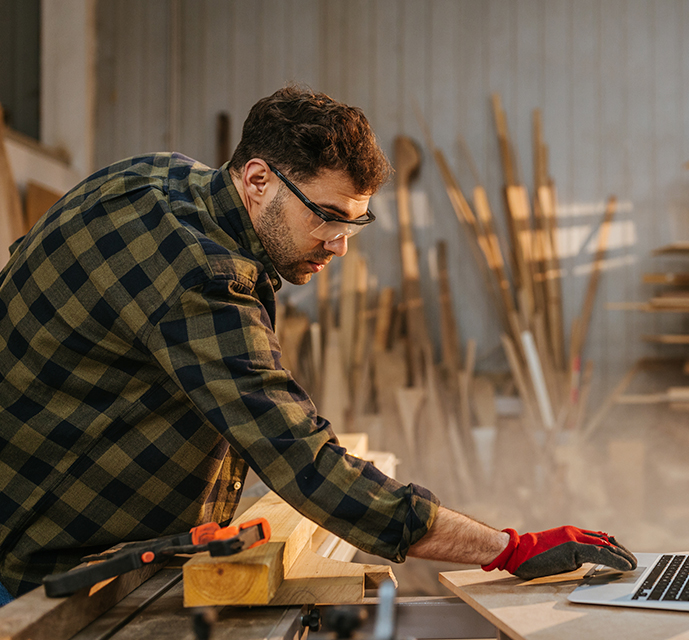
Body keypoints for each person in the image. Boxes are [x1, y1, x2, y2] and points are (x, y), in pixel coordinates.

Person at [0, 86, 636, 605]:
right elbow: (303, 462)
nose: (340, 245)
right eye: (327, 217)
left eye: (354, 222)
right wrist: (508, 549)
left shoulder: (151, 179)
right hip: (38, 574)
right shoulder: (203, 276)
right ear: (257, 180)